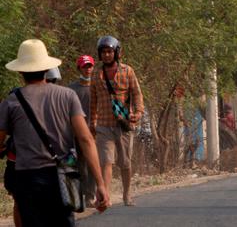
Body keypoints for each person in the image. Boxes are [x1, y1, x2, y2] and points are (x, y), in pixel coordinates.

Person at [0, 39, 110, 226]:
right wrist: (100, 184)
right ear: (46, 68)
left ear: (20, 71)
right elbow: (86, 139)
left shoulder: (11, 102)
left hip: (28, 179)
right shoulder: (67, 96)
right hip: (64, 176)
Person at [89, 35, 144, 207]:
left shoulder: (128, 71)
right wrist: (92, 122)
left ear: (116, 53)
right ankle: (106, 196)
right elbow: (93, 100)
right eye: (104, 52)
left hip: (124, 125)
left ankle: (127, 193)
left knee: (125, 163)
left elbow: (137, 94)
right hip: (104, 125)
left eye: (110, 51)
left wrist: (138, 113)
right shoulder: (96, 74)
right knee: (106, 161)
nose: (106, 55)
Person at [66, 55, 96, 208]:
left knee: (93, 164)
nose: (88, 69)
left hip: (95, 132)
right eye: (85, 66)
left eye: (90, 66)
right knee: (80, 165)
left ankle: (90, 196)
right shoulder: (71, 89)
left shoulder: (99, 86)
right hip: (77, 133)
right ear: (79, 68)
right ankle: (81, 196)